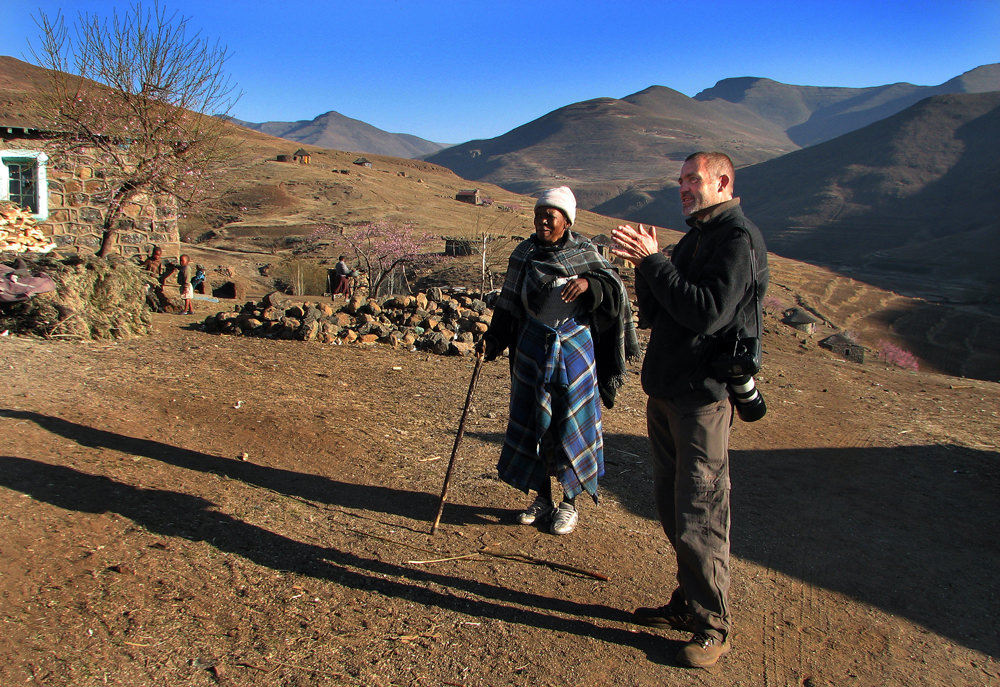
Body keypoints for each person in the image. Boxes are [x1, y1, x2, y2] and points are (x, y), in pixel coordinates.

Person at [612, 152, 769, 668]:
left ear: (722, 182)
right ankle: (688, 600)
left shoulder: (735, 240)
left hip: (702, 398)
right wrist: (645, 266)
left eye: (692, 179)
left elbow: (707, 313)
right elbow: (658, 312)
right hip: (667, 391)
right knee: (672, 507)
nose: (682, 187)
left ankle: (712, 625)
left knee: (700, 512)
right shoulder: (695, 238)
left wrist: (657, 263)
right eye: (679, 180)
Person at [482, 186, 639, 536]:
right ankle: (542, 498)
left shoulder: (585, 253)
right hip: (531, 349)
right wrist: (494, 339)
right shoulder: (524, 254)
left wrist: (589, 284)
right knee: (537, 423)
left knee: (571, 425)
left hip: (574, 351)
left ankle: (570, 502)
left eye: (550, 216)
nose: (542, 221)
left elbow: (615, 290)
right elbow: (508, 304)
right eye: (539, 215)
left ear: (566, 221)